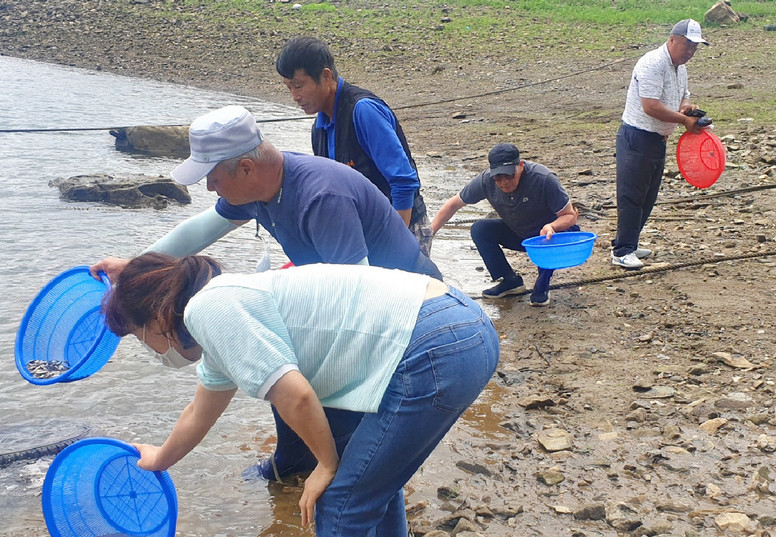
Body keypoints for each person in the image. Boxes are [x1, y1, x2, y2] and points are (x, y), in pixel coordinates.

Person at [102, 254, 499, 537]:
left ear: (158, 316)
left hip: (436, 346)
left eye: (137, 336)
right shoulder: (223, 309)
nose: (148, 349)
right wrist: (160, 458)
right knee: (371, 480)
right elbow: (199, 412)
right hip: (461, 326)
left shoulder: (208, 309)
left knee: (341, 496)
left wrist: (324, 466)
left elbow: (297, 396)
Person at [91, 105, 442, 483]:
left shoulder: (320, 196)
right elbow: (202, 229)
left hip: (411, 309)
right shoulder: (259, 187)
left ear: (245, 167)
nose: (209, 188)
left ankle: (339, 467)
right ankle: (299, 460)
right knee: (277, 349)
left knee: (304, 376)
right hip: (359, 290)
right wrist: (137, 267)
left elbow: (358, 295)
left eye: (211, 176)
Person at [276, 37, 434, 256]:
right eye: (289, 88)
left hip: (401, 229)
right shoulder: (319, 128)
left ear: (326, 76)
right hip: (361, 236)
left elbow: (404, 182)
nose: (295, 96)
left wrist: (395, 242)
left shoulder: (363, 111)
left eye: (299, 86)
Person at [431, 143, 579, 307]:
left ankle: (543, 281)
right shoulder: (486, 181)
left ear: (520, 166)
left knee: (548, 239)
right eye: (498, 177)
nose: (504, 182)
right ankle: (510, 281)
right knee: (480, 229)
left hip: (550, 235)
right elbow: (453, 204)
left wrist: (552, 226)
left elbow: (570, 216)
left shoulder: (543, 179)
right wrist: (429, 233)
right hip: (519, 233)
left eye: (509, 175)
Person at [612, 19, 709, 269]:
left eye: (694, 48)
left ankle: (630, 243)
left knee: (648, 197)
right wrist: (684, 120)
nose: (690, 52)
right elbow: (650, 106)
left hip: (657, 138)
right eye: (687, 45)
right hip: (637, 136)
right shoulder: (653, 63)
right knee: (631, 195)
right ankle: (621, 251)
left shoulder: (680, 68)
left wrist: (689, 110)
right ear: (672, 39)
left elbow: (682, 97)